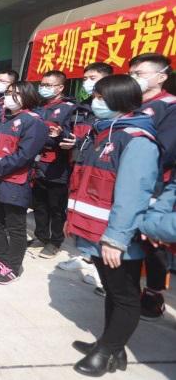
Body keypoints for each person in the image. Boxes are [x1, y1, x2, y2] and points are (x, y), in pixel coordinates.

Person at [65, 75, 159, 376]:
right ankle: (111, 347)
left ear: (121, 100)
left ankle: (107, 350)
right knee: (113, 290)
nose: (95, 102)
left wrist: (116, 239)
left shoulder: (136, 140)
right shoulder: (102, 133)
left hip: (115, 237)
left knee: (126, 295)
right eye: (95, 96)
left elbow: (133, 194)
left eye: (102, 97)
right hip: (94, 230)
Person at [0, 81, 47, 284]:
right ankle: (1, 259)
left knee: (15, 226)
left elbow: (24, 155)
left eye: (16, 93)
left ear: (27, 97)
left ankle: (13, 267)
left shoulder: (33, 122)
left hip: (14, 181)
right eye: (8, 92)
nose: (9, 97)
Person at [57, 62, 113, 289]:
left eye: (93, 77)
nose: (87, 82)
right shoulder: (84, 108)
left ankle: (103, 270)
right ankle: (88, 257)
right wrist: (75, 142)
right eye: (86, 77)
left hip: (104, 175)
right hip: (81, 167)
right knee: (83, 216)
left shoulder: (118, 114)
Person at [128, 52, 176, 320]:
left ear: (161, 76)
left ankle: (155, 293)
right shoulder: (129, 105)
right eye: (132, 74)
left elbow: (164, 151)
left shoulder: (170, 107)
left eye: (140, 74)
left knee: (152, 242)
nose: (135, 79)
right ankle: (129, 290)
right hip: (125, 182)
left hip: (157, 186)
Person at [32, 70, 76, 258]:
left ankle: (55, 241)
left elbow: (71, 136)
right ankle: (40, 236)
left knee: (56, 207)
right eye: (42, 85)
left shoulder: (69, 108)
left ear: (60, 87)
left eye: (48, 85)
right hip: (37, 165)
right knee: (39, 204)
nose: (43, 88)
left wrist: (59, 136)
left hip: (57, 166)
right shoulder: (39, 107)